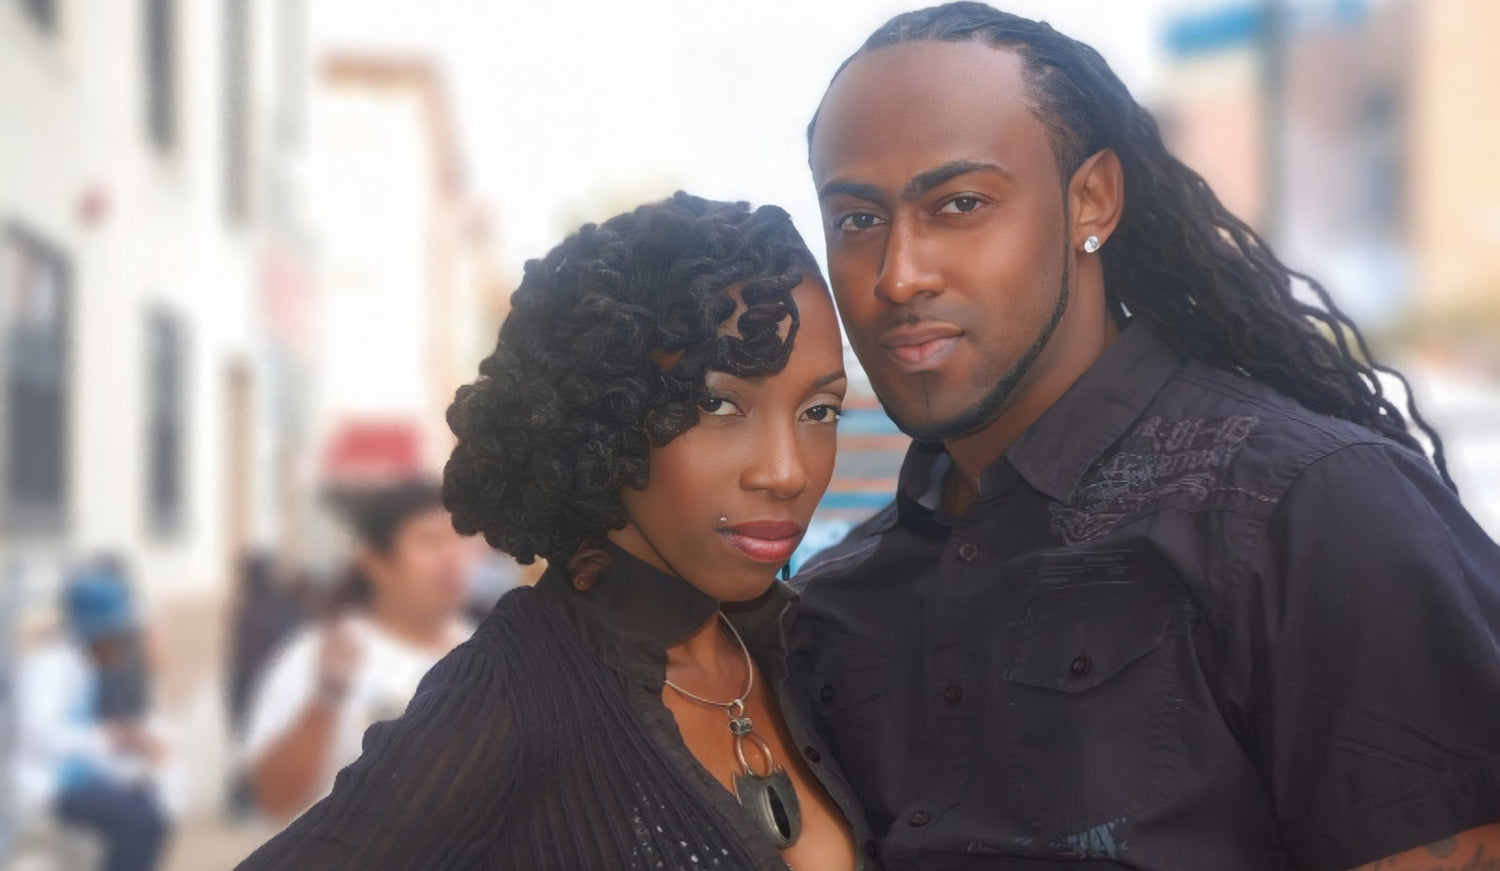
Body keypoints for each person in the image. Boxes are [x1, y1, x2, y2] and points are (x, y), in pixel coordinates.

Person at [792, 5, 1500, 871]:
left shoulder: (1310, 508)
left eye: (961, 203)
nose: (899, 273)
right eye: (858, 220)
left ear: (1092, 198)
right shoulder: (832, 602)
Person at [235, 193, 867, 870]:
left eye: (820, 411)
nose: (786, 471)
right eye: (717, 403)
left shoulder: (807, 649)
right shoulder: (514, 694)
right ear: (606, 413)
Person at [241, 480, 475, 822]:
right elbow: (272, 797)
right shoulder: (318, 655)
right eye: (430, 541)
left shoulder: (487, 655)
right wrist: (326, 698)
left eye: (462, 540)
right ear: (375, 561)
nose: (453, 558)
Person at [15, 558, 175, 871]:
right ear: (96, 631)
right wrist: (113, 737)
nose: (122, 645)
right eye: (117, 635)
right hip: (49, 784)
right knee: (136, 820)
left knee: (153, 810)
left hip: (79, 777)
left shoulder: (85, 668)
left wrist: (127, 746)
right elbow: (40, 737)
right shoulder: (47, 667)